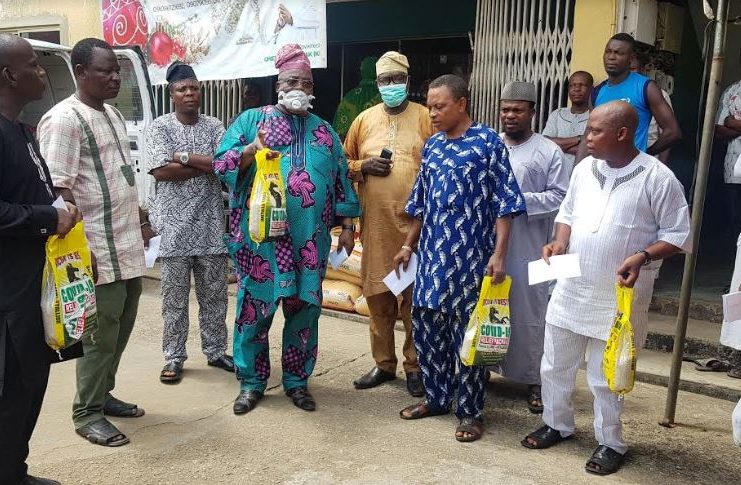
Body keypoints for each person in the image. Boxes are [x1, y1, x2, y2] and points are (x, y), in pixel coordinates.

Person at [522, 101, 691, 475]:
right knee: (554, 363)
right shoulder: (584, 169)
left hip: (618, 296)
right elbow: (567, 213)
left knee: (607, 375)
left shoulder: (658, 178)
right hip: (571, 287)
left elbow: (679, 235)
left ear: (622, 134)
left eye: (595, 131)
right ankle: (556, 423)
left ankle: (610, 442)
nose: (587, 137)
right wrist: (559, 242)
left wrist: (643, 255)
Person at [214, 44, 360, 415]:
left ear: (313, 88)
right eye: (292, 81)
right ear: (279, 84)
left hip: (309, 243)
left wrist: (347, 225)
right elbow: (221, 164)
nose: (298, 88)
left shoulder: (324, 131)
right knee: (254, 312)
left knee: (305, 314)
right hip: (261, 245)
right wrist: (251, 149)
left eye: (306, 83)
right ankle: (251, 383)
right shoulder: (252, 121)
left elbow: (342, 178)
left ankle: (297, 381)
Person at [394, 74, 525, 442]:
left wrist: (499, 255)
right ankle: (436, 398)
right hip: (432, 259)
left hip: (472, 259)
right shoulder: (433, 147)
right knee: (427, 329)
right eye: (430, 107)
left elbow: (505, 204)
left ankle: (470, 412)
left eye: (440, 106)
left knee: (469, 336)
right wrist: (407, 246)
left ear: (462, 104)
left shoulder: (488, 143)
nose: (433, 113)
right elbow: (420, 202)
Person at [39, 38, 152, 448]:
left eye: (117, 70)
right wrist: (80, 257)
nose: (115, 78)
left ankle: (103, 393)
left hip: (126, 244)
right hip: (96, 250)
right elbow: (59, 190)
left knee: (121, 326)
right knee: (98, 335)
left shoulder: (113, 114)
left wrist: (141, 220)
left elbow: (120, 175)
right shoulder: (64, 119)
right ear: (80, 72)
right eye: (106, 70)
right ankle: (86, 413)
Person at [0, 33, 81, 485]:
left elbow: (37, 194)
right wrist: (48, 216)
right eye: (32, 64)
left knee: (30, 382)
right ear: (9, 75)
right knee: (11, 388)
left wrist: (62, 210)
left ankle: (14, 470)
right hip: (8, 294)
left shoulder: (23, 131)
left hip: (36, 284)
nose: (41, 73)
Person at [344, 51, 433, 397]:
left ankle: (415, 366)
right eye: (385, 80)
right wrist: (363, 166)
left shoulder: (426, 117)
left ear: (407, 81)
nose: (391, 85)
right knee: (378, 296)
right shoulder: (363, 120)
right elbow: (343, 162)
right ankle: (383, 363)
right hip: (377, 227)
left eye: (397, 79)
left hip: (417, 229)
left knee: (414, 301)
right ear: (377, 83)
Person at [146, 61, 233, 384]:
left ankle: (215, 350)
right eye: (182, 89)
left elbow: (225, 164)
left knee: (215, 296)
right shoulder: (160, 128)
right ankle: (173, 356)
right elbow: (161, 171)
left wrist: (182, 157)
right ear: (172, 94)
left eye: (194, 88)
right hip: (173, 230)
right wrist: (205, 164)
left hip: (210, 227)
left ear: (200, 91)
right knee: (174, 300)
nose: (189, 93)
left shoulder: (214, 126)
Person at [495, 81, 568, 414]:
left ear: (532, 112)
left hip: (529, 247)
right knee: (489, 307)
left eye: (517, 110)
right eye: (505, 109)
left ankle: (534, 380)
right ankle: (481, 368)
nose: (510, 115)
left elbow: (560, 196)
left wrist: (517, 201)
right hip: (491, 246)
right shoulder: (491, 144)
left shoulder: (549, 150)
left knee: (530, 314)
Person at [575, 33, 680, 164]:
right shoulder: (597, 92)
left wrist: (646, 154)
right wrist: (575, 170)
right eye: (608, 52)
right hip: (601, 169)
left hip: (634, 169)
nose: (611, 57)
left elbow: (673, 132)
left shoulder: (646, 87)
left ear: (630, 59)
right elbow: (589, 134)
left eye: (618, 53)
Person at [542, 71, 592, 174]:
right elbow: (545, 143)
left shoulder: (595, 117)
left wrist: (558, 145)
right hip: (554, 174)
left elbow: (592, 150)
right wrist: (579, 139)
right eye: (572, 85)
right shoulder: (557, 114)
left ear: (591, 89)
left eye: (582, 85)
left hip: (583, 175)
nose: (576, 89)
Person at [631, 51, 673, 163]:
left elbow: (668, 134)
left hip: (648, 159)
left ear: (643, 70)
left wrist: (660, 165)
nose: (629, 74)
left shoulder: (658, 94)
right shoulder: (614, 93)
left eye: (632, 69)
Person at [715, 60, 741, 239]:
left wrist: (732, 122)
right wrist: (727, 122)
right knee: (734, 221)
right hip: (733, 168)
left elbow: (727, 123)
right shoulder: (732, 91)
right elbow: (718, 130)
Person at [332, 56, 383, 139]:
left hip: (353, 144)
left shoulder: (350, 97)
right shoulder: (384, 95)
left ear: (362, 71)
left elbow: (339, 132)